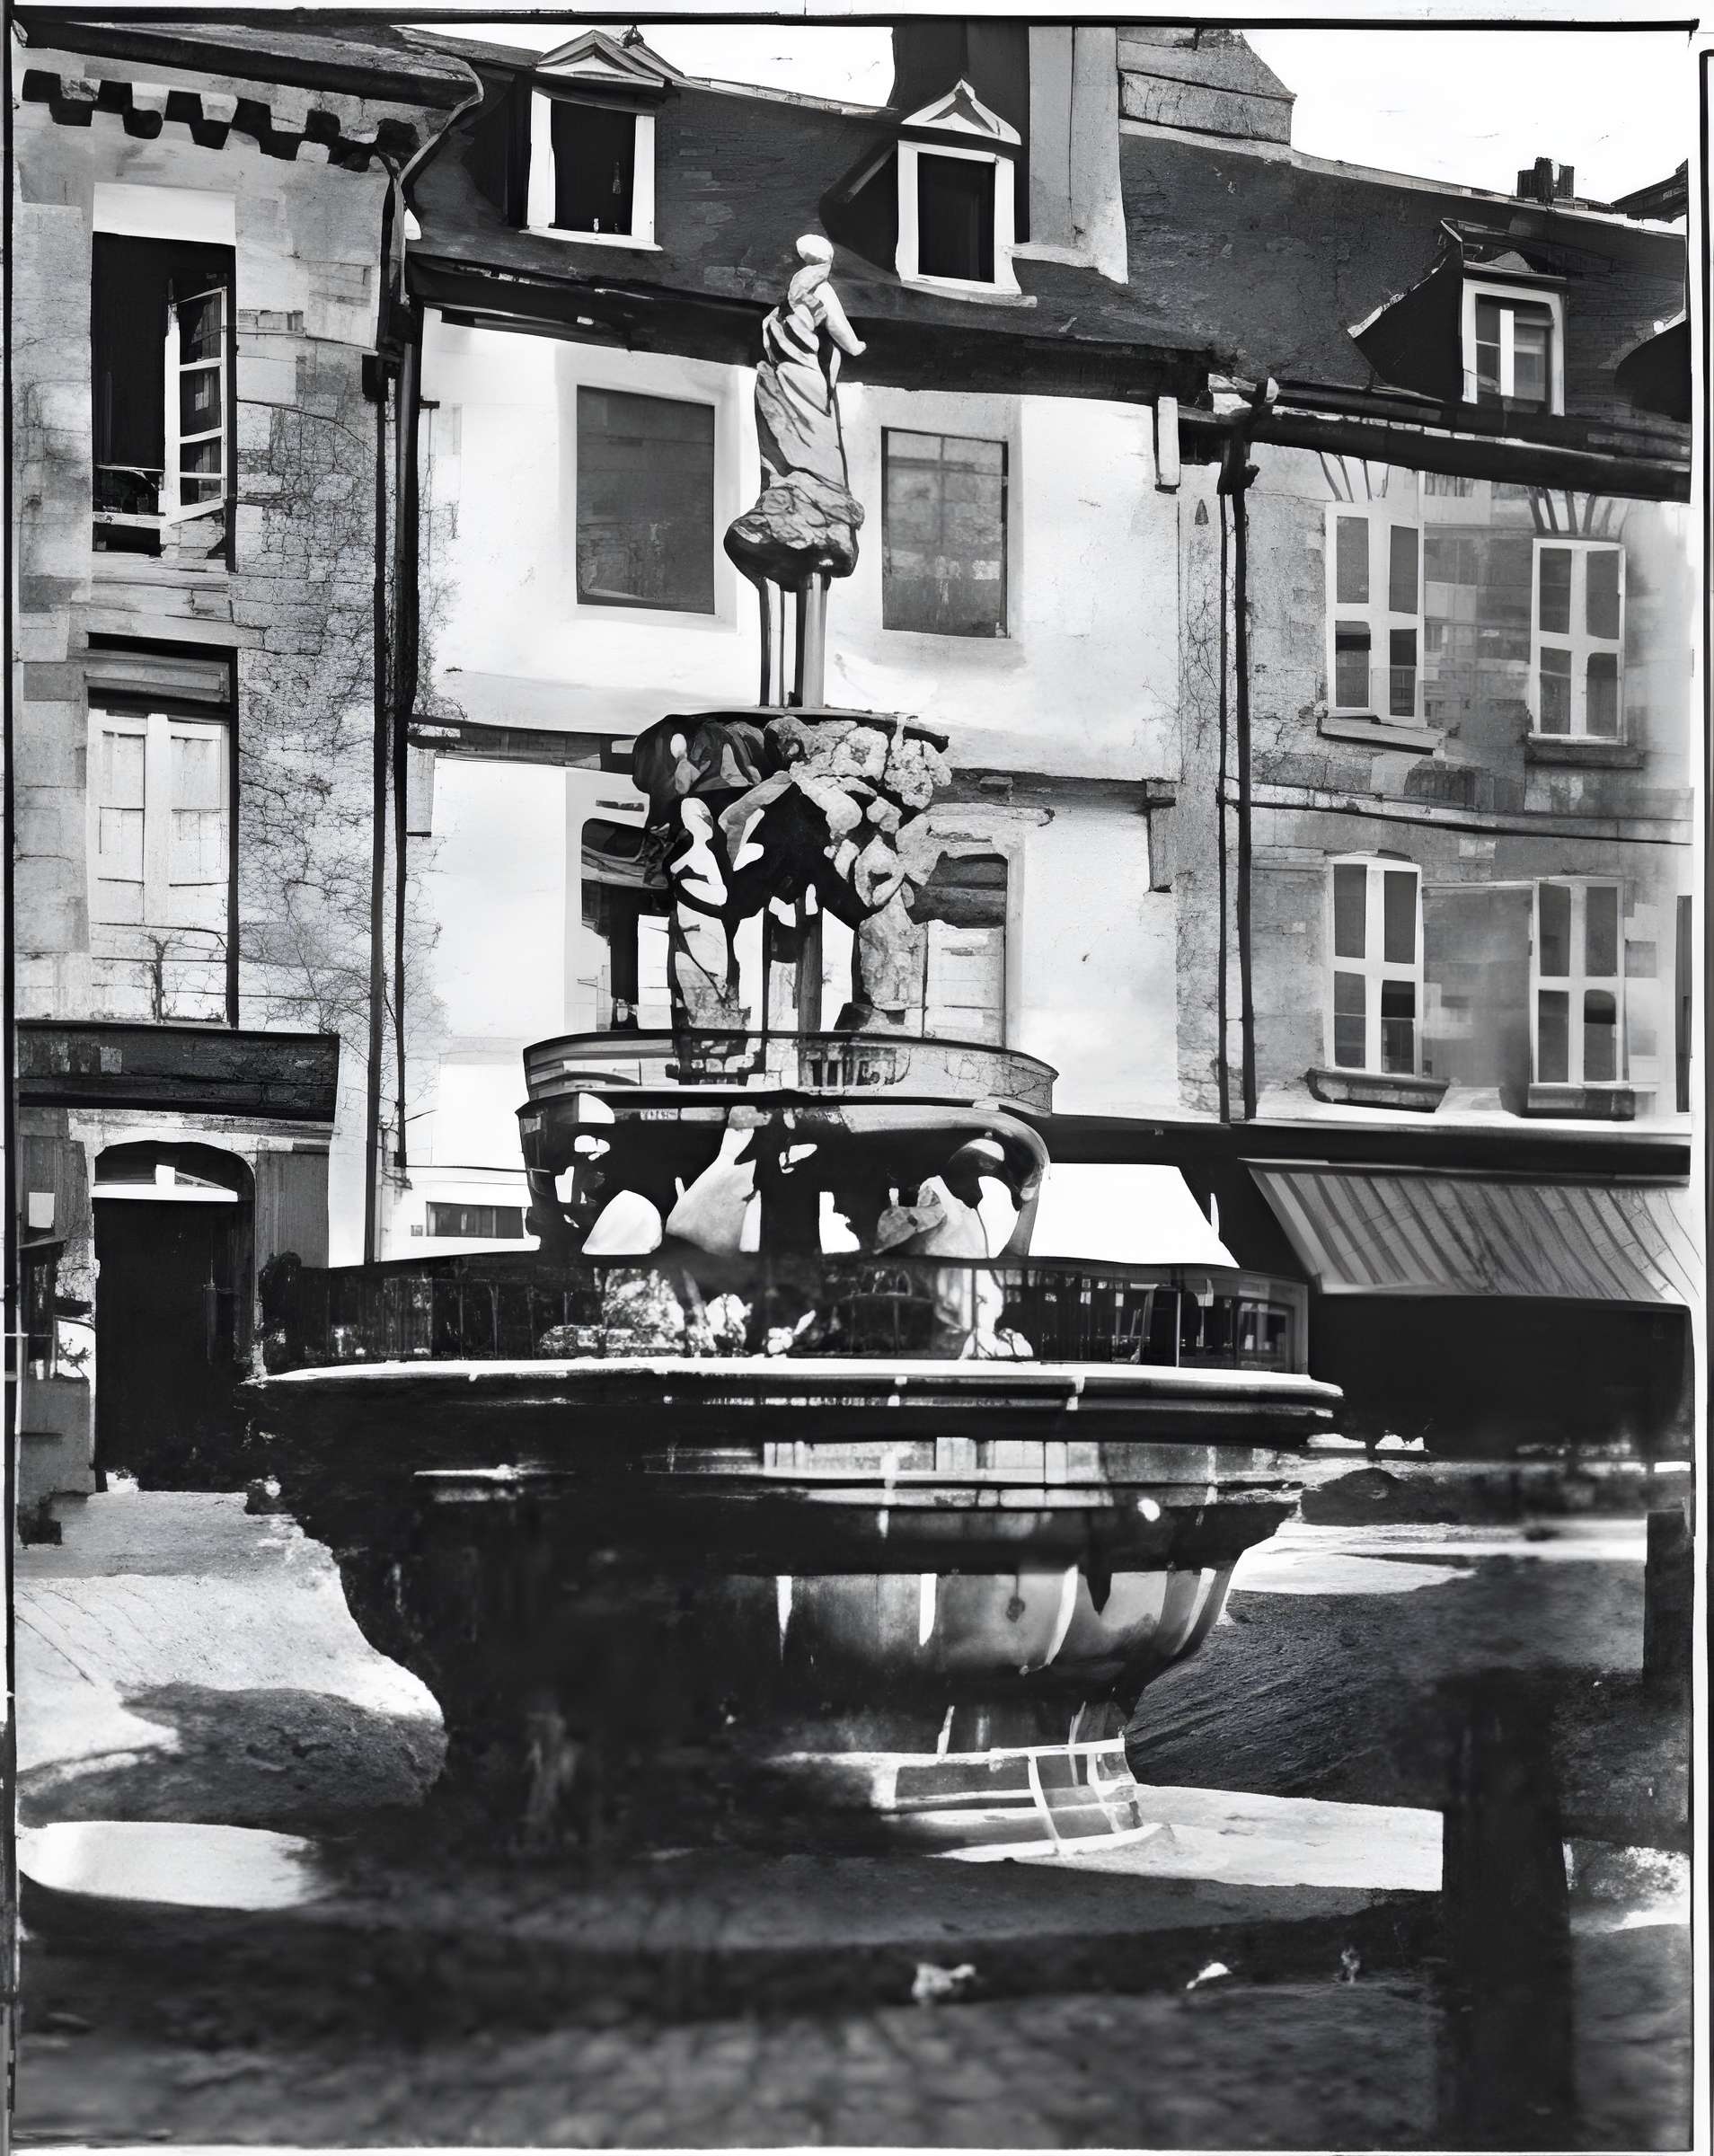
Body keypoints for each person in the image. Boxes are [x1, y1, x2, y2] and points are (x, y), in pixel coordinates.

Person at [755, 234, 866, 497]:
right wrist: (855, 346)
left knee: (794, 423)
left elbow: (770, 338)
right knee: (815, 422)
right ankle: (816, 481)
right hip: (808, 366)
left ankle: (797, 475)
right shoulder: (820, 287)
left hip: (785, 368)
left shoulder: (791, 293)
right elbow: (839, 327)